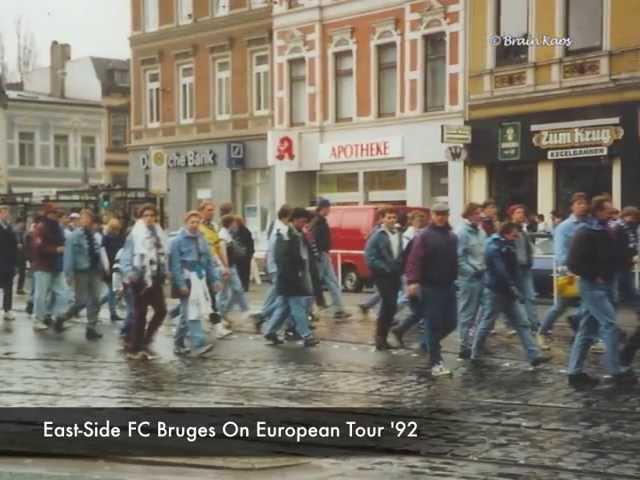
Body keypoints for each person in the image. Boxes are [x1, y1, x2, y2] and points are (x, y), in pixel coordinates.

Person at [566, 196, 636, 388]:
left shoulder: (608, 230)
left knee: (587, 331)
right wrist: (593, 275)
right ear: (597, 212)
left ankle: (574, 372)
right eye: (608, 211)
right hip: (593, 286)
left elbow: (614, 255)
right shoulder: (586, 232)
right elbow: (573, 262)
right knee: (610, 324)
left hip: (605, 284)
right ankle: (615, 369)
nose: (612, 214)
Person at [471, 223, 552, 368]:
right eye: (514, 234)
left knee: (521, 323)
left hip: (507, 291)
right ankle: (475, 353)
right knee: (487, 323)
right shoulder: (495, 247)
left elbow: (512, 269)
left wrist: (515, 287)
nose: (517, 237)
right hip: (496, 291)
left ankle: (534, 355)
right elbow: (500, 270)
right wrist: (513, 286)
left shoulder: (506, 245)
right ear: (506, 233)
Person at [405, 203, 458, 377]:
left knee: (451, 323)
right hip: (430, 287)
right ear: (432, 215)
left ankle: (429, 344)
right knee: (433, 324)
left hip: (448, 286)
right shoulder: (424, 236)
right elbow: (414, 259)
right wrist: (413, 281)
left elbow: (454, 260)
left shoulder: (452, 236)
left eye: (444, 213)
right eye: (438, 214)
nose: (441, 217)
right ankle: (436, 361)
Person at [537, 193, 590, 349]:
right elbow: (560, 253)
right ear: (572, 206)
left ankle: (584, 334)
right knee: (561, 305)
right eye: (579, 203)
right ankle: (543, 331)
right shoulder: (564, 227)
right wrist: (569, 270)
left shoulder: (589, 223)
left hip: (587, 272)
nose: (582, 206)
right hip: (570, 273)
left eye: (584, 203)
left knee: (588, 305)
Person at [263, 208, 319, 347]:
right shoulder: (286, 234)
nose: (304, 224)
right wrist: (294, 275)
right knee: (297, 306)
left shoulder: (294, 233)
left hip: (289, 276)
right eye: (302, 221)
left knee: (284, 307)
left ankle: (270, 331)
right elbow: (281, 257)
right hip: (289, 277)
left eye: (306, 222)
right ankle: (306, 335)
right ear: (294, 220)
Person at [170, 211, 222, 356]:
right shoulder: (177, 241)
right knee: (190, 312)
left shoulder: (202, 239)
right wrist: (181, 284)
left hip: (200, 279)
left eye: (197, 222)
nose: (194, 225)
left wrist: (215, 280)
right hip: (187, 279)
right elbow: (175, 265)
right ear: (186, 222)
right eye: (192, 222)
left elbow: (209, 262)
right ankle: (198, 343)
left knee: (191, 313)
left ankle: (178, 342)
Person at [121, 204, 168, 360]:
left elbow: (163, 254)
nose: (149, 218)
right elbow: (126, 256)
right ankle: (135, 348)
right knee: (140, 314)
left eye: (151, 215)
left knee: (161, 311)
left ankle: (146, 341)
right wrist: (129, 274)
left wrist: (165, 271)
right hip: (140, 278)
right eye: (145, 215)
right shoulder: (135, 234)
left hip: (155, 278)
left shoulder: (159, 233)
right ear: (141, 217)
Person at [365, 206, 404, 351]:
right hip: (382, 275)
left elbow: (399, 253)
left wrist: (400, 266)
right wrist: (385, 267)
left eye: (394, 217)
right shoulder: (377, 235)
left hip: (395, 274)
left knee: (391, 306)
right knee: (388, 304)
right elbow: (369, 257)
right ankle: (380, 338)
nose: (392, 220)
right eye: (389, 217)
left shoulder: (398, 233)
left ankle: (383, 337)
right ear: (382, 219)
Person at [62, 209, 105, 340]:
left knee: (95, 299)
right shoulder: (74, 236)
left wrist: (104, 268)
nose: (85, 221)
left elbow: (100, 253)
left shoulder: (95, 235)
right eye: (83, 218)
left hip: (95, 271)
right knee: (81, 301)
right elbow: (69, 256)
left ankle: (91, 328)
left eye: (88, 218)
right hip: (81, 272)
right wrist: (68, 274)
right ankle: (62, 318)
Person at [251, 204, 292, 332]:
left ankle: (265, 316)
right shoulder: (280, 230)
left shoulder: (278, 226)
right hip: (278, 267)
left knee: (278, 295)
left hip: (276, 266)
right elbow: (276, 250)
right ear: (287, 216)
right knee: (284, 298)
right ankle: (264, 317)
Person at [455, 203, 487, 360]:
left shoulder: (481, 231)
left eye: (480, 212)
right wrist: (471, 271)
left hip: (483, 276)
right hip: (469, 279)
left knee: (487, 309)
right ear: (468, 215)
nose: (479, 215)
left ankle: (477, 341)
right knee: (467, 313)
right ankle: (464, 345)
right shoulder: (462, 233)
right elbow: (458, 257)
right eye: (476, 213)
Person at [311, 198, 352, 320]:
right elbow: (316, 239)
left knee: (327, 282)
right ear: (324, 208)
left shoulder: (316, 221)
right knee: (318, 283)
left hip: (321, 255)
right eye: (328, 207)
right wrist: (320, 253)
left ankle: (338, 308)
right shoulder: (319, 222)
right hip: (321, 255)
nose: (329, 210)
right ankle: (309, 310)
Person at [31, 204, 68, 332]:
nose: (55, 215)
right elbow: (38, 247)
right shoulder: (41, 227)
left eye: (56, 213)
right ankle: (38, 319)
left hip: (54, 265)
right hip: (43, 265)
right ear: (47, 214)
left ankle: (53, 315)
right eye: (53, 213)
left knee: (64, 293)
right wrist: (56, 249)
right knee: (41, 295)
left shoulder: (56, 227)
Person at [507, 204, 539, 332]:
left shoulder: (524, 231)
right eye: (518, 212)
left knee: (530, 296)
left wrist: (530, 260)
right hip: (514, 269)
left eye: (522, 212)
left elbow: (529, 249)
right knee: (512, 298)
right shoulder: (508, 230)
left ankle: (533, 324)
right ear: (512, 215)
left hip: (525, 269)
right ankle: (513, 323)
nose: (521, 215)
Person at [216, 214, 250, 323]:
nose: (236, 225)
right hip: (227, 267)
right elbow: (222, 252)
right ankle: (221, 314)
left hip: (231, 266)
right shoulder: (222, 235)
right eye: (234, 223)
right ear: (230, 224)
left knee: (237, 289)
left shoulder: (228, 234)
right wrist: (225, 267)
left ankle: (223, 312)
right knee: (224, 292)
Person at [198, 201, 225, 331]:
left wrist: (223, 264)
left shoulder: (213, 226)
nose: (212, 212)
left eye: (213, 210)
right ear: (201, 211)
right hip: (201, 267)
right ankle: (217, 325)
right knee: (208, 295)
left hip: (212, 264)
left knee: (210, 294)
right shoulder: (198, 226)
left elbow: (217, 246)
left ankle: (216, 324)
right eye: (209, 210)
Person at [102, 218, 126, 322]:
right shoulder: (106, 238)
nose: (116, 231)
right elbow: (103, 253)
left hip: (118, 265)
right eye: (114, 229)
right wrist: (106, 266)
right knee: (113, 291)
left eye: (117, 229)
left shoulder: (121, 238)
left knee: (113, 291)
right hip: (110, 266)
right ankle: (113, 313)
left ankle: (98, 303)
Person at [0, 205, 18, 321]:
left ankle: (7, 310)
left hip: (8, 263)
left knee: (8, 287)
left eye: (8, 212)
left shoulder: (10, 227)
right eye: (4, 212)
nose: (7, 214)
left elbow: (14, 245)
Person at [234, 215, 255, 292]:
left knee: (243, 271)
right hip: (243, 255)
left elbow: (249, 243)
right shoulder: (244, 231)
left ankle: (244, 286)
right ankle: (244, 286)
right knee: (244, 271)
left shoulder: (243, 231)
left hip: (243, 255)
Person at [14, 218, 27, 295]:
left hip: (22, 255)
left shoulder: (23, 232)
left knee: (22, 273)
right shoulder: (13, 231)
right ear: (18, 223)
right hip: (16, 255)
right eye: (22, 223)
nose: (23, 225)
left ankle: (20, 288)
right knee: (14, 272)